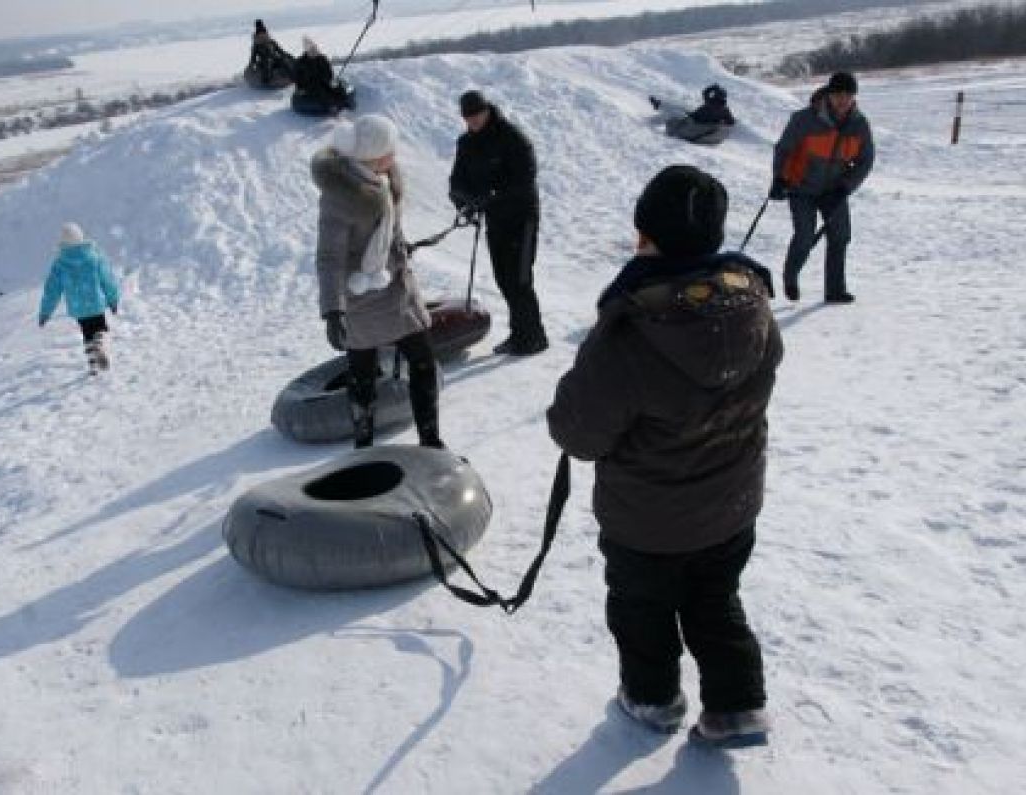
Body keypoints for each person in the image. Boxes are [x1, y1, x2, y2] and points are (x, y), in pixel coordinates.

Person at [547, 165, 782, 745]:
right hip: (731, 505)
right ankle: (738, 708)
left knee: (642, 612)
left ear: (648, 237)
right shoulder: (751, 303)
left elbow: (580, 434)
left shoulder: (633, 329)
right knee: (715, 599)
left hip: (645, 522)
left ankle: (652, 700)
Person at [311, 114, 444, 449]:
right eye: (389, 150)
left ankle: (431, 441)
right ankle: (364, 445)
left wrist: (400, 249)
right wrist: (332, 311)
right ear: (369, 156)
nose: (395, 156)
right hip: (361, 295)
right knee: (362, 374)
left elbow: (390, 231)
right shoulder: (338, 199)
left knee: (424, 362)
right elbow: (329, 259)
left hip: (398, 292)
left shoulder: (386, 178)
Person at [449, 90, 548, 355]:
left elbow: (524, 181)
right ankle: (520, 333)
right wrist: (464, 203)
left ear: (487, 110)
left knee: (520, 279)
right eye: (468, 118)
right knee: (503, 278)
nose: (473, 121)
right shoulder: (466, 143)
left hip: (522, 217)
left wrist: (489, 196)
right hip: (496, 219)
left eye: (477, 115)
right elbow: (457, 181)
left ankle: (534, 337)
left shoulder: (513, 138)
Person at [770, 70, 875, 303]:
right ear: (829, 95)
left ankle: (835, 290)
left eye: (848, 95)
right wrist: (779, 179)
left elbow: (865, 160)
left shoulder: (859, 124)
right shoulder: (804, 120)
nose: (843, 100)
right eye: (838, 94)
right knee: (805, 236)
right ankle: (791, 276)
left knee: (840, 237)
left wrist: (846, 187)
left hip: (834, 191)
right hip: (801, 189)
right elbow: (784, 150)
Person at [38, 222, 121, 374]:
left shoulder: (59, 264)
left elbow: (51, 291)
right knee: (101, 329)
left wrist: (45, 313)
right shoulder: (94, 258)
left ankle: (93, 365)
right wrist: (113, 299)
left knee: (87, 333)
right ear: (81, 237)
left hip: (78, 308)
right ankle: (100, 342)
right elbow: (107, 280)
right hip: (95, 304)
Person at [292, 37, 352, 114]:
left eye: (315, 49)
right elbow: (297, 78)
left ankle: (344, 103)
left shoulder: (322, 58)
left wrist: (330, 80)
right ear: (307, 51)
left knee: (338, 86)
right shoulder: (301, 62)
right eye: (311, 50)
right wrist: (301, 88)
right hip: (309, 85)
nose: (314, 51)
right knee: (321, 92)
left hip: (324, 81)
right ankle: (331, 108)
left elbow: (329, 72)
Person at [248, 19, 295, 87]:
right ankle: (267, 80)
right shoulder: (256, 46)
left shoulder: (271, 42)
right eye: (261, 35)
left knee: (283, 60)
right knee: (268, 62)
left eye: (264, 34)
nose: (263, 36)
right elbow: (253, 57)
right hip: (264, 62)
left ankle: (292, 76)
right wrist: (252, 65)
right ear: (258, 35)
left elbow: (280, 51)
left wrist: (290, 57)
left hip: (274, 59)